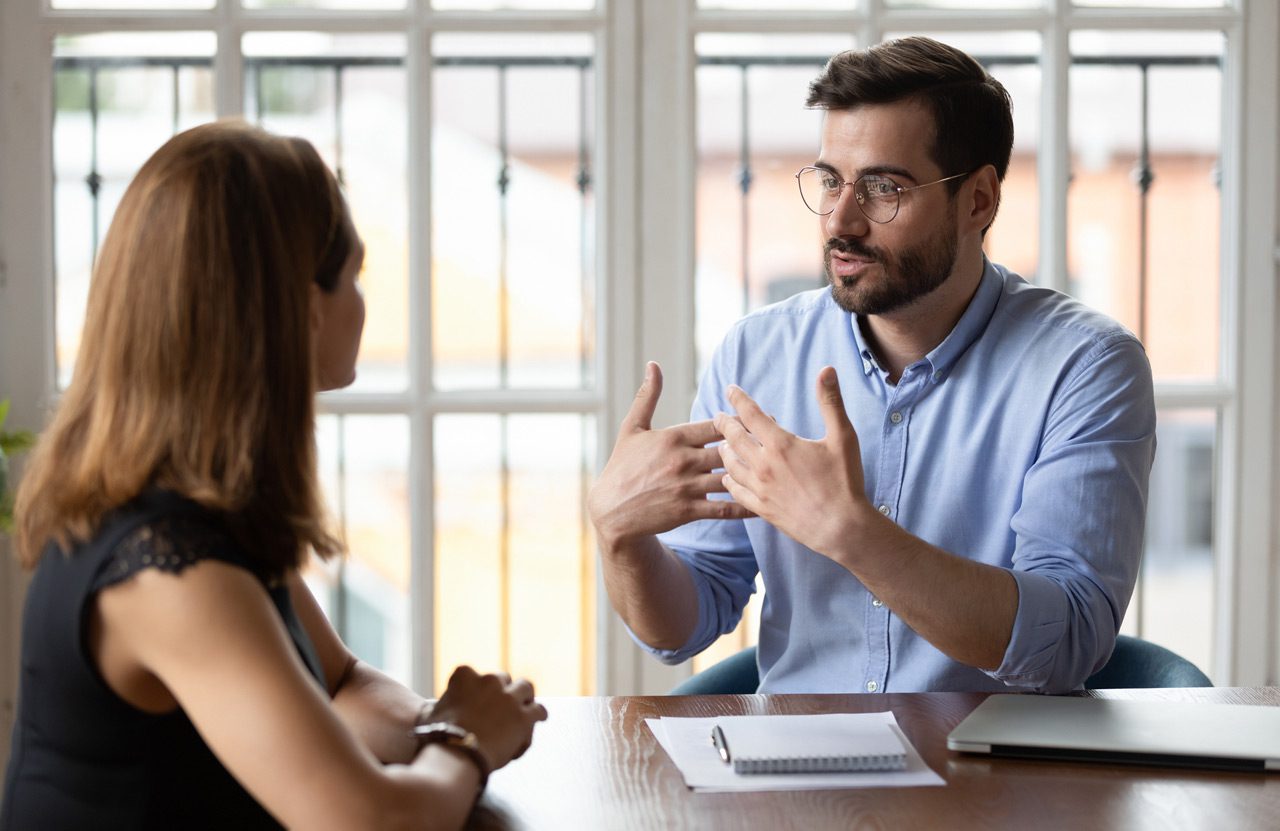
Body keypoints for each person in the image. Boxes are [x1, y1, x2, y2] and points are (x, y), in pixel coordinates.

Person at [1, 120, 546, 830]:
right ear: (296, 308)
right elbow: (366, 821)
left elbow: (341, 684)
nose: (362, 302)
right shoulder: (168, 569)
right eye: (352, 276)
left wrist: (438, 718)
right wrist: (465, 742)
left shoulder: (202, 505)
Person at [588, 36, 1156, 695]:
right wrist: (619, 537)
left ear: (978, 201)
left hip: (1000, 779)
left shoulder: (1085, 367)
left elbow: (1068, 641)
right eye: (831, 179)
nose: (841, 220)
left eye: (884, 187)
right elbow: (687, 621)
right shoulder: (756, 355)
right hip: (800, 774)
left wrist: (853, 533)